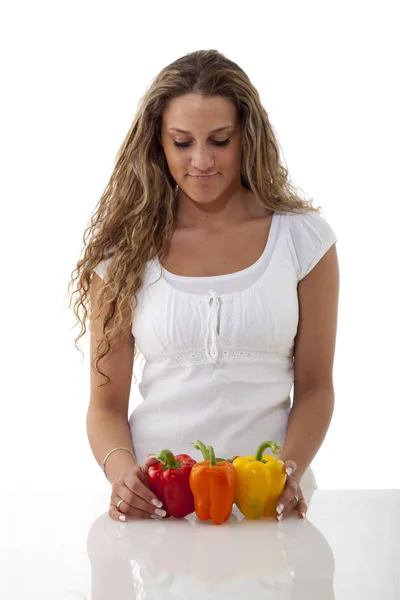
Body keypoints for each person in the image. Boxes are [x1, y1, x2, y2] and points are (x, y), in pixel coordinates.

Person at [69, 49, 339, 524]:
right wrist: (122, 475)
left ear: (246, 138)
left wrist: (288, 471)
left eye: (219, 140)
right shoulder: (123, 253)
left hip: (269, 506)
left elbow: (316, 388)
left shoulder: (304, 240)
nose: (201, 161)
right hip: (158, 507)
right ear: (158, 143)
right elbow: (104, 406)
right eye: (181, 142)